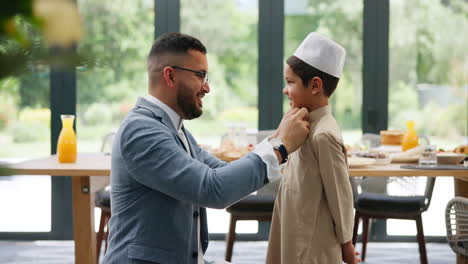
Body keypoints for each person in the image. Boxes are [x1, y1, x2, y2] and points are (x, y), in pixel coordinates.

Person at [103, 32, 310, 264]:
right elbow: (213, 189)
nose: (207, 87)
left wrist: (279, 139)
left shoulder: (174, 129)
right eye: (201, 76)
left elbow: (223, 172)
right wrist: (280, 148)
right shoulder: (142, 131)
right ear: (170, 76)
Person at [265, 32, 360, 264]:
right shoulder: (299, 123)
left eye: (290, 82)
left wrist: (346, 244)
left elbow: (340, 195)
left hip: (312, 242)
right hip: (292, 227)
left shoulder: (324, 134)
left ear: (315, 85)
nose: (285, 90)